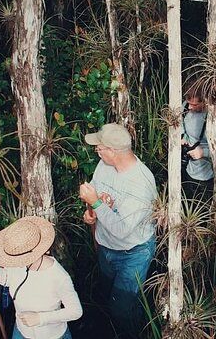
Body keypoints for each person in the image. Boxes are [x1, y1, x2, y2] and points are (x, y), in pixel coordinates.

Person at [79, 123, 157, 338]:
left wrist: (95, 204)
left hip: (133, 253)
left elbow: (122, 230)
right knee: (108, 296)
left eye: (99, 148)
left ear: (113, 151)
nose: (97, 152)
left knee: (122, 309)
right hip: (106, 247)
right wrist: (91, 212)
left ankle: (135, 333)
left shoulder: (140, 183)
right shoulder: (104, 165)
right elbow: (95, 193)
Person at [0, 216, 82, 339]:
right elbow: (9, 279)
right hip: (21, 331)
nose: (13, 262)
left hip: (52, 335)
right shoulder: (17, 260)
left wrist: (40, 318)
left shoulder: (58, 277)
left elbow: (75, 311)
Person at [181, 86, 216, 197]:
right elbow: (180, 122)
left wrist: (204, 153)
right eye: (188, 103)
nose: (189, 107)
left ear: (206, 101)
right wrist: (182, 136)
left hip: (208, 177)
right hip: (186, 169)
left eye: (194, 105)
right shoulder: (186, 106)